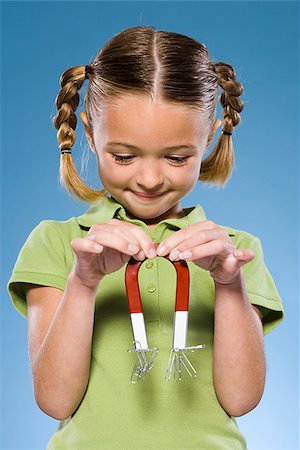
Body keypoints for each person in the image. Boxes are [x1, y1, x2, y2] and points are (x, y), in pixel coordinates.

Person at [7, 25, 284, 450]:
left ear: (207, 139)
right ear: (89, 132)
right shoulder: (59, 244)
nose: (150, 179)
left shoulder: (236, 252)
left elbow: (242, 400)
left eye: (177, 157)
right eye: (124, 156)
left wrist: (230, 287)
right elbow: (55, 400)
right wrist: (83, 284)